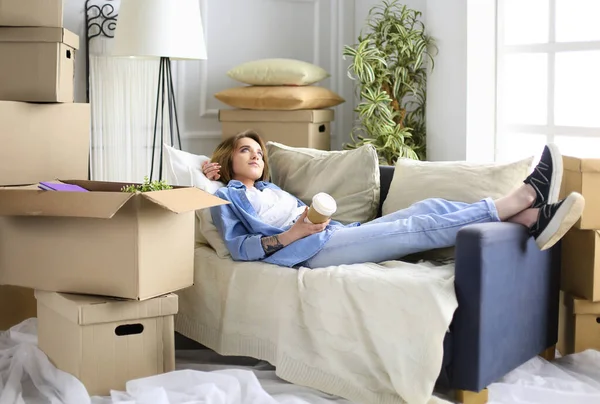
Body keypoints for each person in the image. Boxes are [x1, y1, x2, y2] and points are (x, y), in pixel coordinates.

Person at [202, 130, 585, 269]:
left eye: (258, 152)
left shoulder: (270, 190)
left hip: (331, 233)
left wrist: (306, 218)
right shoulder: (226, 198)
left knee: (425, 208)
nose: (256, 155)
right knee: (415, 227)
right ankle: (525, 196)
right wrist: (293, 234)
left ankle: (528, 220)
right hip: (307, 251)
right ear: (227, 159)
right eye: (245, 151)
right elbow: (240, 248)